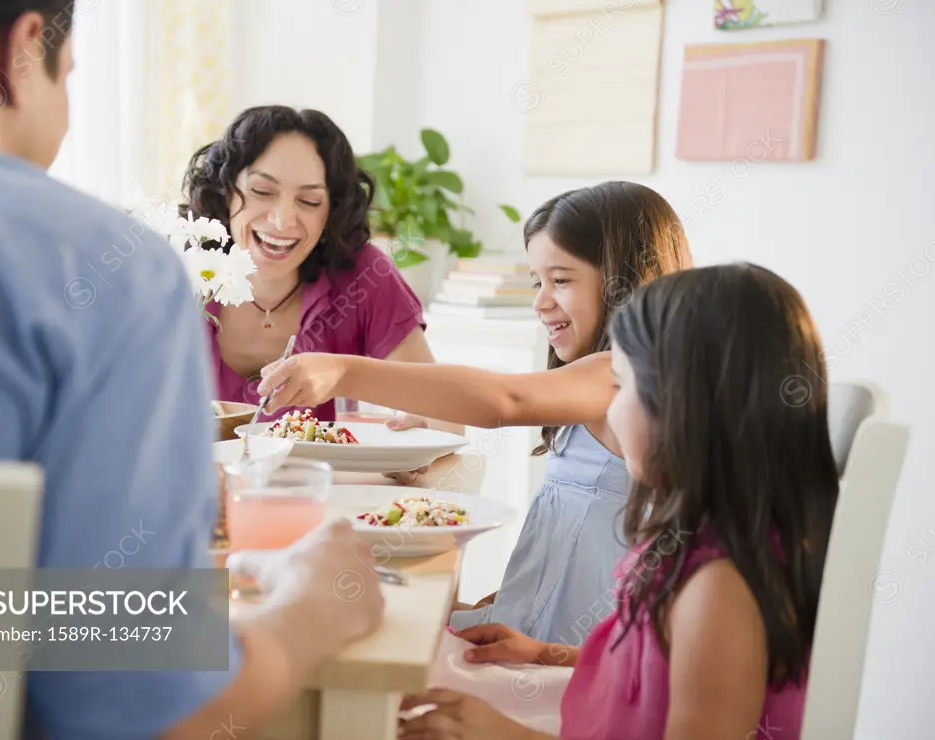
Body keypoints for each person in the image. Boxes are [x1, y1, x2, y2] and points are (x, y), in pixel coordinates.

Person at [0, 4, 383, 738]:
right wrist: (311, 608)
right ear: (24, 51)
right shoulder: (94, 265)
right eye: (70, 77)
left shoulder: (358, 279)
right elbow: (142, 708)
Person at [397, 263, 841, 740]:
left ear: (686, 408)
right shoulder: (699, 539)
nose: (610, 407)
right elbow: (654, 668)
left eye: (622, 385)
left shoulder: (722, 591)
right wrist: (548, 652)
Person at [257, 182, 693, 644]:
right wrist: (503, 598)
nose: (541, 301)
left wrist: (343, 372)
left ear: (634, 277)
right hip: (532, 630)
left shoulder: (627, 375)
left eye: (561, 280)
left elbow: (506, 400)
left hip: (566, 659)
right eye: (537, 281)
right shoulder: (593, 388)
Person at [178, 105, 462, 435]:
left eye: (309, 201)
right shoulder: (177, 277)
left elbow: (448, 415)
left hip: (331, 487)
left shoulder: (364, 277)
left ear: (331, 211)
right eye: (262, 191)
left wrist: (422, 432)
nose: (282, 221)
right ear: (225, 191)